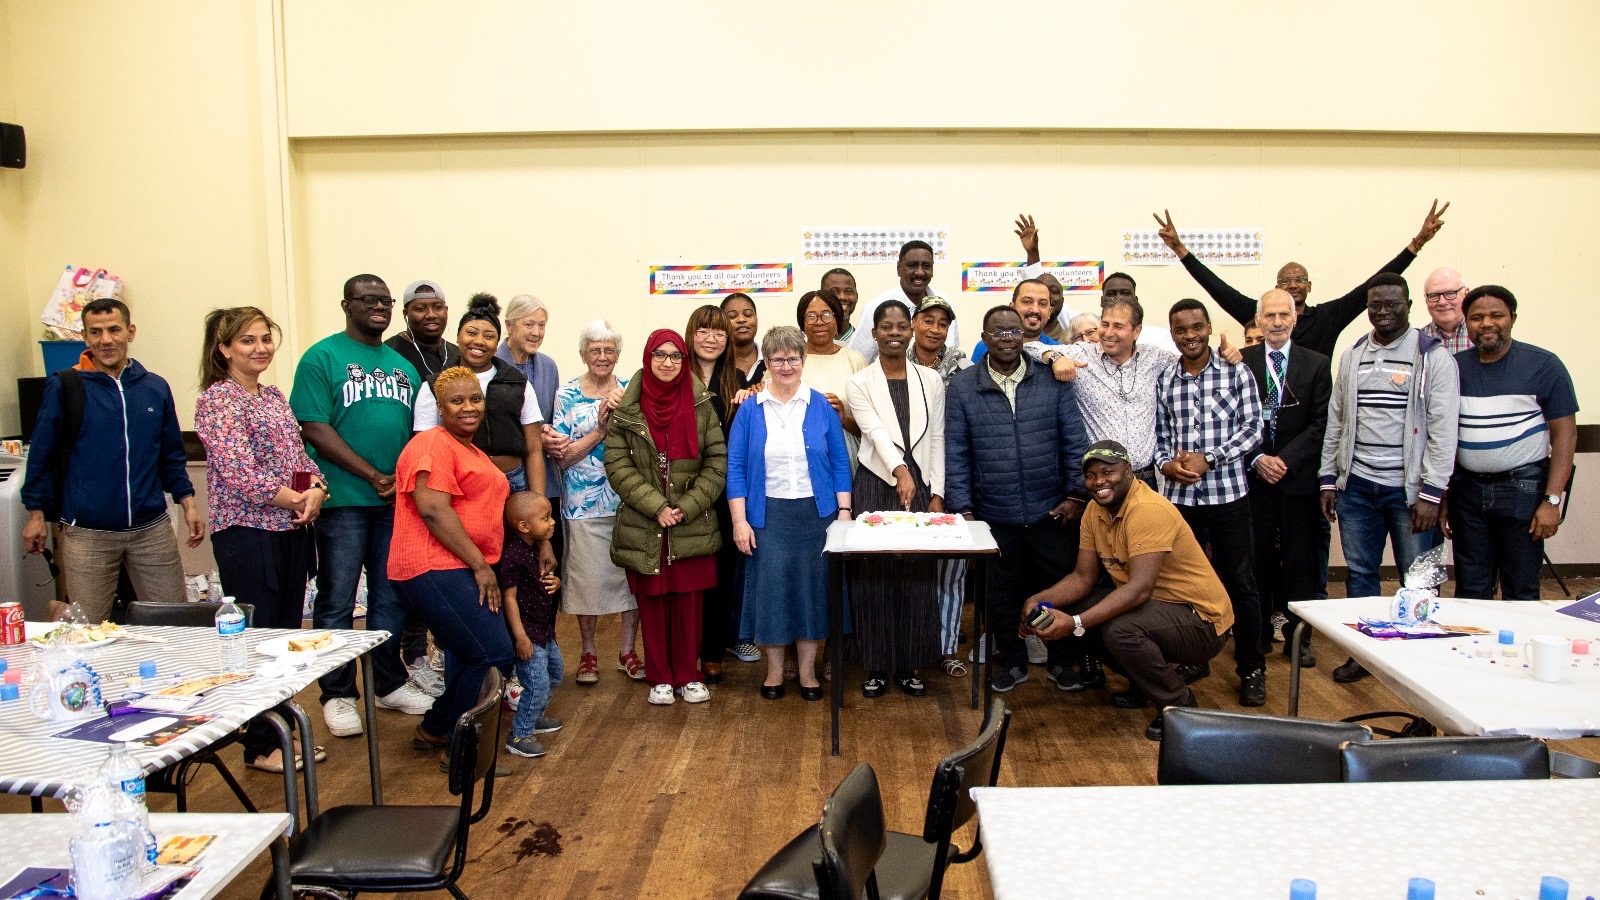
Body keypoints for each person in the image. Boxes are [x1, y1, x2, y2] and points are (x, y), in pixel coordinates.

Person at [290, 274, 434, 737]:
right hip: (343, 501)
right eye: (367, 300)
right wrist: (372, 475)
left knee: (390, 597)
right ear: (346, 305)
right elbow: (314, 426)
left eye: (385, 301)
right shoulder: (322, 357)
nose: (378, 307)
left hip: (394, 501)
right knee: (337, 599)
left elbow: (418, 432)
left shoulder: (402, 366)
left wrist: (402, 479)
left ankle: (386, 684)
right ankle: (337, 694)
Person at [1021, 441, 1235, 742]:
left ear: (1129, 471)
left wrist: (1076, 623)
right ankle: (1146, 684)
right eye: (1091, 476)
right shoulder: (1094, 510)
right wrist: (1038, 600)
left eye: (1107, 472)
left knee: (1118, 630)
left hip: (1201, 621)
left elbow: (1139, 590)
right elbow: (1082, 578)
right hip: (1156, 611)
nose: (1099, 482)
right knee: (1071, 609)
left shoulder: (1148, 510)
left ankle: (1180, 706)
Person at [194, 306, 325, 773]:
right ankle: (260, 745)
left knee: (284, 636)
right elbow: (240, 472)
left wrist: (317, 489)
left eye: (265, 338)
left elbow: (299, 458)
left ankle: (281, 732)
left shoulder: (272, 396)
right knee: (257, 638)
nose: (260, 348)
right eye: (247, 340)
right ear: (224, 349)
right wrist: (297, 499)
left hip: (289, 530)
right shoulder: (218, 400)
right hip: (247, 535)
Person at [21, 298, 204, 623]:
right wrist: (36, 515)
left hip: (151, 530)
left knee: (175, 624)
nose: (106, 339)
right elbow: (41, 455)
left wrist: (188, 503)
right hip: (88, 533)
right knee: (88, 628)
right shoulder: (65, 386)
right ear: (85, 337)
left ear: (130, 332)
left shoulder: (154, 387)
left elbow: (171, 455)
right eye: (96, 332)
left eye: (114, 330)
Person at [1320, 273, 1460, 682]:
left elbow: (1443, 429)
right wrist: (1329, 478)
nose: (1382, 312)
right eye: (1375, 305)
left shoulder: (1432, 357)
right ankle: (1365, 655)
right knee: (1361, 573)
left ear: (1409, 306)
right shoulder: (1354, 355)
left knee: (1417, 578)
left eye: (1391, 304)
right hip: (1357, 487)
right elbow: (1336, 420)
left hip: (1409, 492)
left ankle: (1418, 660)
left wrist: (1431, 493)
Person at [945, 306, 1091, 693]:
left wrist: (1076, 495)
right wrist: (964, 510)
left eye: (1014, 331)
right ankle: (1012, 660)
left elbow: (1074, 440)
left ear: (1024, 336)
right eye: (998, 332)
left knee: (1059, 587)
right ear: (984, 338)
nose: (1007, 338)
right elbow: (956, 452)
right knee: (1001, 594)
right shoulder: (962, 386)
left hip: (1052, 510)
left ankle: (1062, 662)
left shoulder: (1052, 378)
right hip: (993, 514)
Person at [387, 367, 513, 764]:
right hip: (433, 565)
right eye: (456, 401)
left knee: (466, 653)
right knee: (493, 653)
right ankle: (463, 750)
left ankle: (436, 728)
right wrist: (480, 566)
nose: (468, 407)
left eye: (475, 399)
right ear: (439, 408)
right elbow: (433, 510)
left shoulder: (470, 451)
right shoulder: (432, 444)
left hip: (459, 565)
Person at [728, 326, 853, 701]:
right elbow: (735, 469)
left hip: (817, 516)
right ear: (766, 362)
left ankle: (808, 674)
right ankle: (774, 674)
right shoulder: (749, 410)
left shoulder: (821, 406)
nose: (786, 366)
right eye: (778, 359)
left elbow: (839, 463)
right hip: (767, 517)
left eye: (793, 358)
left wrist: (844, 512)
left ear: (803, 360)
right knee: (773, 595)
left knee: (812, 594)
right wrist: (740, 521)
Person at [1151, 202, 1449, 359]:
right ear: (1276, 290)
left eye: (1300, 279)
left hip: (1313, 418)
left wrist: (1417, 243)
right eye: (1285, 281)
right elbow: (1218, 288)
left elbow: (1370, 288)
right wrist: (1180, 249)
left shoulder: (1327, 318)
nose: (1293, 284)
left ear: (1309, 287)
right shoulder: (1262, 314)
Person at [605, 330, 728, 706]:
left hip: (691, 522)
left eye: (675, 356)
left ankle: (689, 674)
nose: (668, 362)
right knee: (654, 603)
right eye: (660, 355)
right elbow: (617, 463)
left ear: (684, 360)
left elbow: (717, 462)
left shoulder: (701, 403)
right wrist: (656, 506)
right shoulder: (627, 407)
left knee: (689, 603)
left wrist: (686, 506)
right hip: (645, 523)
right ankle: (659, 677)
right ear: (647, 358)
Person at [1155, 298, 1267, 705]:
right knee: (1182, 586)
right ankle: (1194, 658)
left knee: (1240, 582)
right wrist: (1166, 464)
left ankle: (1251, 667)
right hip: (1179, 499)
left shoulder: (1237, 371)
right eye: (1181, 329)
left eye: (1197, 327)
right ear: (1172, 334)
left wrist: (1211, 458)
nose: (1190, 336)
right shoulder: (1165, 379)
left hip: (1227, 496)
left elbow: (1254, 428)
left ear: (1208, 327)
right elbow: (1160, 436)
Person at [1443, 285, 1577, 600]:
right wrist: (1444, 497)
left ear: (1512, 319)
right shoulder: (1453, 368)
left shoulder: (1544, 365)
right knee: (1470, 589)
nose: (1487, 323)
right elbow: (1442, 436)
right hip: (1466, 492)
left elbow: (1566, 436)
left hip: (1523, 490)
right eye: (1477, 317)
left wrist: (1552, 501)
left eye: (1496, 315)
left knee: (1521, 589)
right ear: (1466, 323)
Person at [845, 301, 946, 696]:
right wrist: (900, 471)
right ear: (874, 333)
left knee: (915, 576)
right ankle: (875, 664)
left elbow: (937, 437)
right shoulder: (860, 382)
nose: (894, 333)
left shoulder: (930, 379)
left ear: (911, 330)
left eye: (902, 326)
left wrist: (936, 492)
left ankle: (908, 664)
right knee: (873, 577)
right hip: (875, 483)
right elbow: (873, 432)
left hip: (921, 486)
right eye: (886, 326)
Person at [1241, 290, 1331, 668]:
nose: (1277, 322)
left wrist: (1284, 460)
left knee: (1299, 564)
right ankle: (1259, 634)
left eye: (1283, 315)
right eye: (1269, 315)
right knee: (1256, 561)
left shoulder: (1317, 364)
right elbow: (1234, 420)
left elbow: (1321, 423)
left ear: (1295, 318)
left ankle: (1298, 639)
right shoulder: (1242, 362)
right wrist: (1259, 457)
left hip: (1297, 481)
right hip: (1254, 479)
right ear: (1258, 321)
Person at [549, 321, 642, 685]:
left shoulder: (631, 391)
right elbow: (562, 457)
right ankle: (588, 653)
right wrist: (600, 431)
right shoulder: (566, 394)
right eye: (595, 350)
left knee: (630, 583)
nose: (602, 356)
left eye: (609, 350)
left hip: (628, 501)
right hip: (582, 503)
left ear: (618, 354)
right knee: (586, 582)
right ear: (583, 354)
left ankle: (627, 652)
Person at [413, 294, 546, 495]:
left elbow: (534, 449)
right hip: (459, 483)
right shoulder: (435, 385)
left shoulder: (518, 383)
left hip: (513, 483)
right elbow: (424, 449)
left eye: (489, 336)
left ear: (497, 342)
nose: (479, 341)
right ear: (458, 337)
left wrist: (538, 498)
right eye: (471, 333)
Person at [909, 297, 973, 674]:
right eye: (928, 320)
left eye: (942, 323)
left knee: (951, 569)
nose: (935, 329)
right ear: (914, 323)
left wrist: (948, 490)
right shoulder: (892, 362)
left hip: (956, 475)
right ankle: (915, 645)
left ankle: (947, 648)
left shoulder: (964, 369)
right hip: (908, 478)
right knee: (913, 570)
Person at [684, 305, 746, 682]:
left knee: (721, 574)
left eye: (719, 333)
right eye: (703, 331)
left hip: (723, 491)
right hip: (682, 490)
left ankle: (712, 651)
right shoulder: (676, 373)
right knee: (686, 575)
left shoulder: (736, 380)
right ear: (691, 334)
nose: (711, 339)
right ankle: (683, 652)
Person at [1013, 214, 1175, 352]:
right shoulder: (1089, 325)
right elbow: (1042, 295)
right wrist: (1033, 253)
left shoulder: (1159, 337)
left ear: (1136, 300)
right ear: (1102, 301)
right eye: (1111, 294)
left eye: (1125, 293)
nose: (1118, 298)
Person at [499, 491, 564, 759]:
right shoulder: (512, 556)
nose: (552, 522)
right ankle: (519, 735)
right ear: (524, 526)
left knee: (555, 673)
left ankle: (535, 717)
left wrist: (556, 582)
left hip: (543, 628)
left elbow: (541, 582)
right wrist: (520, 638)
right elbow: (509, 598)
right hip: (528, 633)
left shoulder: (536, 547)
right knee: (536, 685)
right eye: (545, 518)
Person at [497, 293, 564, 525]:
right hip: (504, 477)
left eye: (541, 325)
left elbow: (552, 416)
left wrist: (551, 434)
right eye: (529, 324)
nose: (536, 332)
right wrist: (534, 438)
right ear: (509, 326)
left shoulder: (549, 366)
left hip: (545, 478)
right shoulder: (492, 363)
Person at [848, 240, 961, 362]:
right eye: (912, 265)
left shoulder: (945, 303)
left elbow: (952, 352)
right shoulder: (875, 307)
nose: (919, 272)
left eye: (926, 266)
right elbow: (855, 360)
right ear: (898, 269)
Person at [797, 290, 868, 463]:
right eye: (811, 316)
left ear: (837, 321)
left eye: (827, 315)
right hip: (798, 453)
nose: (819, 322)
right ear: (802, 323)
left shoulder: (854, 360)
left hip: (847, 452)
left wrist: (843, 418)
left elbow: (870, 425)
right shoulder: (789, 360)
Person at [970, 279, 1061, 364]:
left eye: (1042, 304)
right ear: (1012, 308)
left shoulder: (1059, 351)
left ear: (1049, 312)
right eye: (1027, 302)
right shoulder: (985, 347)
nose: (1035, 310)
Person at [385, 280, 459, 383]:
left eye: (438, 307)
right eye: (420, 309)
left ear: (446, 311)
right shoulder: (389, 353)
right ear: (406, 314)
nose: (431, 315)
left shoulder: (457, 353)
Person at [1420, 268, 1474, 353]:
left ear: (1466, 294)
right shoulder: (1417, 342)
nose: (1442, 302)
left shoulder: (1482, 336)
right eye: (1434, 295)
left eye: (1450, 294)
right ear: (1426, 299)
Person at [721, 292, 766, 385]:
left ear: (756, 320)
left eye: (748, 314)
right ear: (722, 323)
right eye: (732, 316)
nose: (741, 319)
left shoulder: (772, 359)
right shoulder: (715, 363)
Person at [820, 268, 861, 346]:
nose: (842, 297)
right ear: (821, 297)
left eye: (848, 291)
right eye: (834, 291)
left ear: (857, 296)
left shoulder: (865, 344)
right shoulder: (805, 342)